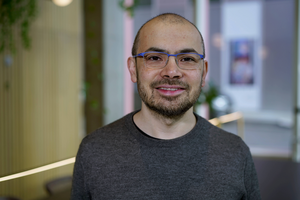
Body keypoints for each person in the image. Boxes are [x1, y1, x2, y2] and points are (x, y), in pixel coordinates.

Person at [71, 13, 261, 200]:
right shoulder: (94, 151)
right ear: (133, 69)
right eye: (154, 58)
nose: (171, 72)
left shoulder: (236, 153)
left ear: (203, 73)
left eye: (187, 59)